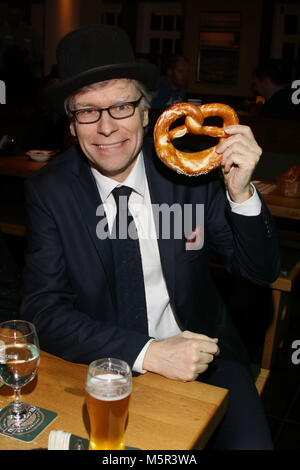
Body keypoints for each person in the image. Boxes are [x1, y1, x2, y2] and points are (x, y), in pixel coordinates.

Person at [20, 25, 280, 450]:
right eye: (87, 111)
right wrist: (149, 353)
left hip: (207, 356)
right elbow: (42, 310)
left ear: (146, 111)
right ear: (71, 124)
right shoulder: (49, 192)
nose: (106, 127)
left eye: (121, 106)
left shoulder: (188, 175)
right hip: (103, 365)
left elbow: (259, 270)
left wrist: (241, 193)